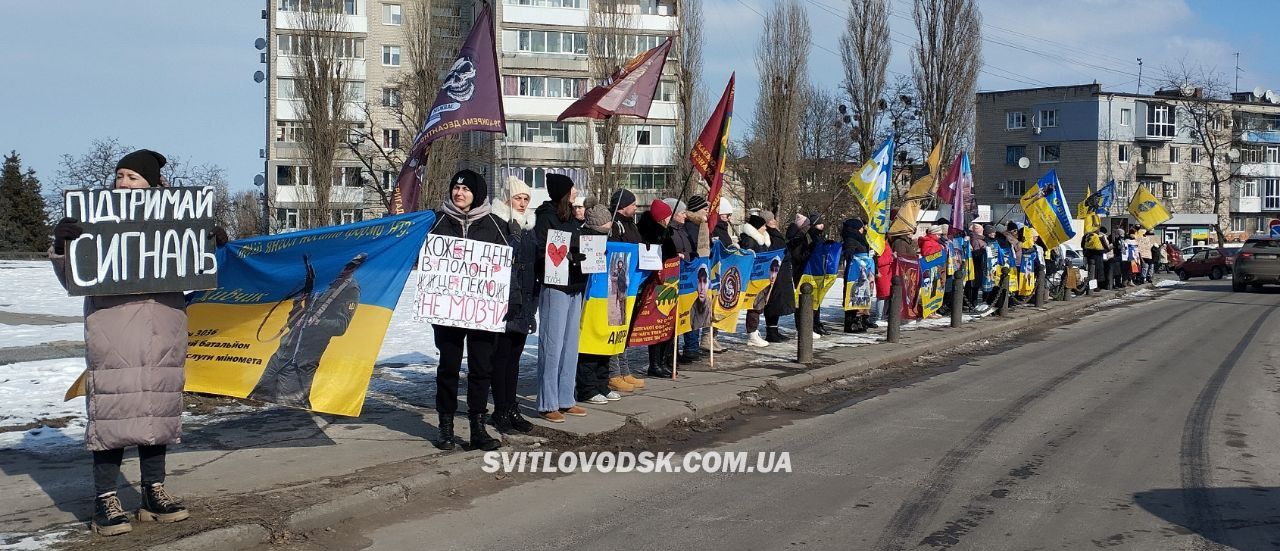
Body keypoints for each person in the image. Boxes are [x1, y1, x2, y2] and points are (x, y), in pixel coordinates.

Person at [49, 150, 209, 536]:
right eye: (119, 175)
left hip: (164, 331)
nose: (123, 183)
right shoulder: (95, 223)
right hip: (113, 332)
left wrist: (210, 243)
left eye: (133, 177)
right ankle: (105, 498)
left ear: (152, 185)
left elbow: (196, 268)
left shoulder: (176, 221)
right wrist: (62, 245)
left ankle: (154, 492)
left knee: (158, 412)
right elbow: (72, 278)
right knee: (113, 414)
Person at [428, 170, 507, 451]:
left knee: (481, 369)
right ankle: (446, 427)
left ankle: (477, 428)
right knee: (448, 367)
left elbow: (509, 268)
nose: (459, 193)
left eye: (466, 189)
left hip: (483, 311)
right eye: (455, 188)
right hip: (447, 310)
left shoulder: (496, 225)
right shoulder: (436, 222)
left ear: (478, 194)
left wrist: (514, 303)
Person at [248, 253, 365, 410]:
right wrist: (296, 307)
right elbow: (296, 322)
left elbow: (341, 326)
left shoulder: (350, 289)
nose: (344, 269)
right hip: (282, 353)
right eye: (344, 264)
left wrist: (317, 323)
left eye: (350, 266)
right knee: (256, 399)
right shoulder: (323, 280)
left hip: (302, 361)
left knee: (289, 410)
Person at [534, 174, 589, 423]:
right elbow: (547, 251)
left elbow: (580, 245)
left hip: (575, 285)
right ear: (564, 192)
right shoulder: (546, 217)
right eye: (572, 188)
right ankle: (547, 402)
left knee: (570, 346)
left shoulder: (573, 219)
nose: (576, 192)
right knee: (552, 345)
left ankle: (566, 398)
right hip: (555, 286)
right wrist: (569, 256)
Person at [489, 176, 538, 434]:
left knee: (515, 359)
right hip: (504, 301)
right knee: (502, 358)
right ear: (507, 198)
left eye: (525, 199)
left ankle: (511, 406)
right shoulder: (497, 222)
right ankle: (500, 410)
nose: (521, 203)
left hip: (525, 301)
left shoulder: (528, 226)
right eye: (517, 198)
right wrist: (512, 238)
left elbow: (534, 262)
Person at [574, 205, 617, 405]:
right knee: (589, 346)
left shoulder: (609, 239)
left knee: (603, 343)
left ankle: (602, 384)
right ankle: (587, 388)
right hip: (591, 298)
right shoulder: (586, 238)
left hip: (606, 297)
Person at [605, 189, 644, 392]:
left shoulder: (631, 224)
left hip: (630, 284)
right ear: (623, 205)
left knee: (624, 329)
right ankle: (613, 373)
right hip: (616, 285)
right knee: (615, 327)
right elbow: (616, 251)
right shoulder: (614, 224)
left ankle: (624, 369)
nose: (635, 207)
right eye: (633, 204)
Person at [638, 198, 678, 377]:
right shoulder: (651, 233)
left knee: (667, 322)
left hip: (669, 282)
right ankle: (655, 363)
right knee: (656, 322)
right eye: (667, 216)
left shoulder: (665, 231)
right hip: (655, 284)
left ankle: (664, 361)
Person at [787, 213, 828, 336]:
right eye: (807, 225)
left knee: (812, 298)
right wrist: (811, 249)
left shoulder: (802, 236)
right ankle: (803, 328)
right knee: (802, 300)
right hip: (801, 272)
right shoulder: (797, 238)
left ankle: (809, 326)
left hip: (806, 271)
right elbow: (799, 257)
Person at [762, 210, 797, 341]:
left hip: (782, 272)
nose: (774, 221)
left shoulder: (775, 233)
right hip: (775, 272)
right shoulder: (768, 235)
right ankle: (770, 331)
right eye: (771, 220)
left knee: (778, 301)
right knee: (772, 301)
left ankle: (774, 329)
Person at [739, 213, 772, 346]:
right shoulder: (750, 240)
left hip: (762, 277)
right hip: (754, 278)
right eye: (763, 225)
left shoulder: (762, 239)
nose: (765, 228)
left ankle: (754, 330)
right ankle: (751, 333)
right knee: (754, 305)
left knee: (759, 305)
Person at [840, 218, 871, 333]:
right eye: (862, 227)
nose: (863, 229)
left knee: (859, 295)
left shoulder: (859, 238)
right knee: (852, 294)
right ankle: (850, 323)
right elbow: (849, 254)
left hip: (861, 271)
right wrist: (857, 258)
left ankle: (858, 321)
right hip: (854, 271)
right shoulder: (851, 238)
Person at [1082, 225, 1111, 290]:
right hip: (1098, 256)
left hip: (1089, 256)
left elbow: (1082, 246)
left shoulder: (1086, 236)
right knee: (1097, 272)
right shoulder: (1100, 237)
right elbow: (1106, 248)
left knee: (1091, 272)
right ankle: (1096, 287)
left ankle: (1091, 287)